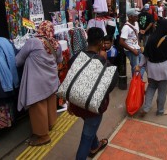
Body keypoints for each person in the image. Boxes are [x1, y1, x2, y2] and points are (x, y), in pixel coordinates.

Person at [68, 27, 118, 160]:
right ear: (101, 43)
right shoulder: (103, 63)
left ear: (87, 40)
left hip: (76, 104)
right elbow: (110, 86)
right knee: (86, 137)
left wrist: (69, 103)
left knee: (90, 128)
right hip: (92, 108)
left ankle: (95, 145)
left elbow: (70, 81)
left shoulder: (75, 58)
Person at [16, 20, 62, 146]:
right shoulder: (56, 44)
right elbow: (60, 59)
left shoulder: (33, 42)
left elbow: (18, 61)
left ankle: (43, 136)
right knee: (50, 103)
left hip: (37, 84)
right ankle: (50, 124)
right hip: (51, 80)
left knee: (38, 108)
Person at [136, 19, 167, 116]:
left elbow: (145, 55)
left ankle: (146, 108)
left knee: (151, 87)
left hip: (151, 67)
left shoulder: (151, 38)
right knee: (162, 90)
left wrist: (139, 65)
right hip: (163, 68)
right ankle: (160, 111)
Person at [120, 9, 145, 78]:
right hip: (131, 50)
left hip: (137, 48)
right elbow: (121, 42)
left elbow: (136, 36)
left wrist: (140, 46)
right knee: (136, 67)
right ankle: (137, 84)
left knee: (142, 65)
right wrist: (132, 50)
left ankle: (137, 81)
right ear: (130, 17)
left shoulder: (136, 23)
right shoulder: (126, 28)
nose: (137, 17)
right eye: (135, 16)